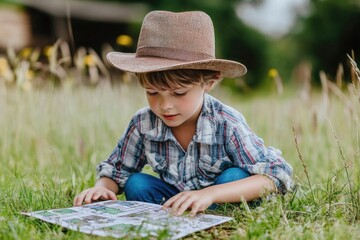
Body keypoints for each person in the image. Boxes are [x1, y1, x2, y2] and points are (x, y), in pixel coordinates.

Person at [73, 10, 293, 216]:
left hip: (221, 197)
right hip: (175, 199)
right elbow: (117, 171)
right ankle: (176, 215)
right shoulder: (143, 122)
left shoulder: (227, 123)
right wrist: (101, 189)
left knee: (233, 176)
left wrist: (209, 194)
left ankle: (217, 215)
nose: (165, 105)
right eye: (152, 92)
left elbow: (275, 176)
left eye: (179, 93)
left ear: (209, 82)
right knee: (137, 184)